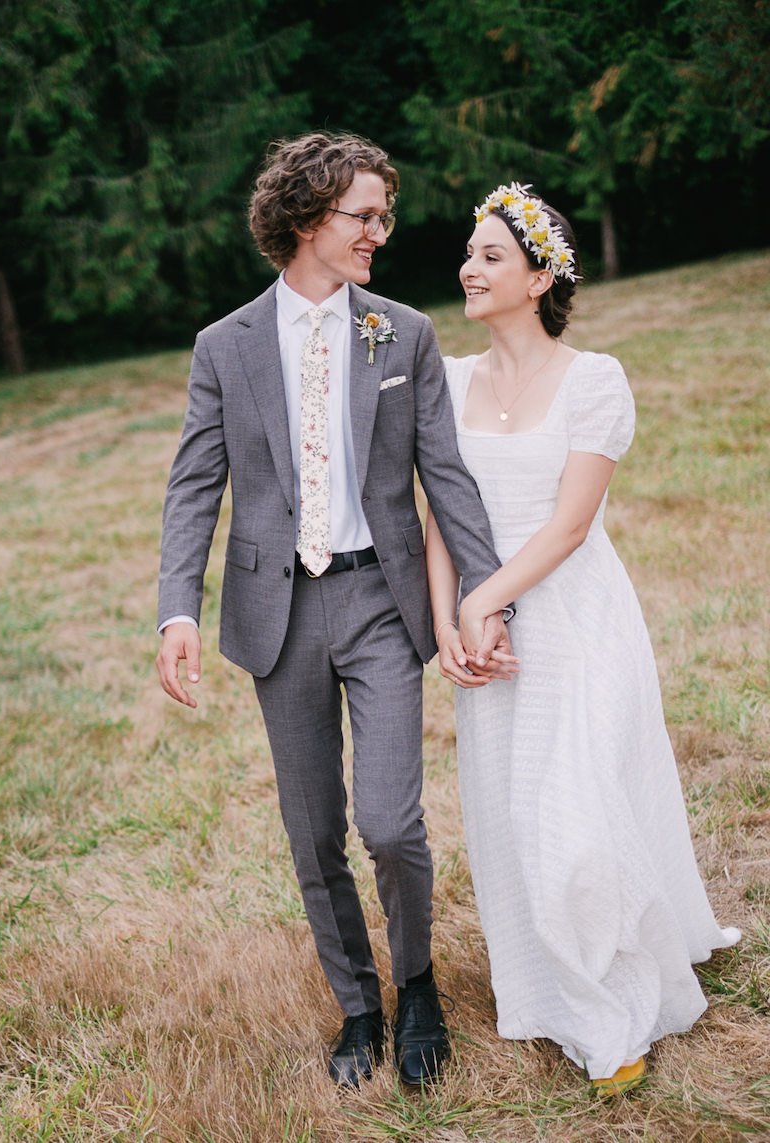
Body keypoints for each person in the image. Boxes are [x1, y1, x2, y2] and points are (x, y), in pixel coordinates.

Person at [155, 132, 516, 1088]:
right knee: (313, 832)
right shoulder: (223, 347)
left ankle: (420, 987)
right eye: (365, 216)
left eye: (382, 216)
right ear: (310, 219)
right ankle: (359, 1005)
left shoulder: (402, 332)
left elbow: (447, 477)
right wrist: (176, 610)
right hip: (277, 617)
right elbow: (195, 486)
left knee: (391, 823)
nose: (379, 234)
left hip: (380, 602)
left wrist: (485, 599)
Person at [428, 183, 739, 1094]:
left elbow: (568, 527)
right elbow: (440, 518)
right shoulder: (446, 381)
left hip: (577, 618)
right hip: (487, 630)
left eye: (489, 255)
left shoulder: (595, 379)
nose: (468, 269)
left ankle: (612, 1013)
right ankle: (552, 980)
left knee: (577, 813)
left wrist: (487, 602)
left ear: (539, 276)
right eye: (469, 253)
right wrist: (453, 623)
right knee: (514, 816)